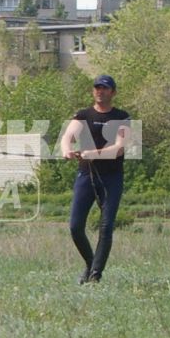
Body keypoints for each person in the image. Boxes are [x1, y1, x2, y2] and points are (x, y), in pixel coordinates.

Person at [59, 75, 130, 284]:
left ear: (113, 93)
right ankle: (90, 264)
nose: (100, 91)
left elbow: (118, 149)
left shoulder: (122, 117)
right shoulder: (83, 115)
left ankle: (96, 275)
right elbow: (68, 136)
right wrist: (66, 150)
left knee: (106, 226)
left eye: (105, 88)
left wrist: (93, 153)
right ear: (93, 91)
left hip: (111, 178)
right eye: (97, 88)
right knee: (75, 226)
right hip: (86, 176)